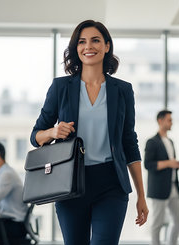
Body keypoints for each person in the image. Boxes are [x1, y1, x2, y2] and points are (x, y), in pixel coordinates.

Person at [30, 20, 148, 245]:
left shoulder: (122, 90)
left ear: (106, 46)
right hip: (70, 182)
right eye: (82, 42)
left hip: (111, 183)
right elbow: (35, 135)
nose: (88, 46)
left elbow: (129, 143)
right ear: (76, 48)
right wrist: (53, 132)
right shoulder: (60, 87)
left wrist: (141, 195)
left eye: (95, 40)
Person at [144, 110, 179, 245]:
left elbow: (169, 162)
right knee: (157, 223)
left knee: (178, 220)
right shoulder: (152, 142)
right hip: (159, 188)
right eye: (169, 120)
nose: (171, 122)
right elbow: (148, 164)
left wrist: (176, 164)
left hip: (173, 186)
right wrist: (169, 163)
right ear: (160, 121)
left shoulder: (170, 141)